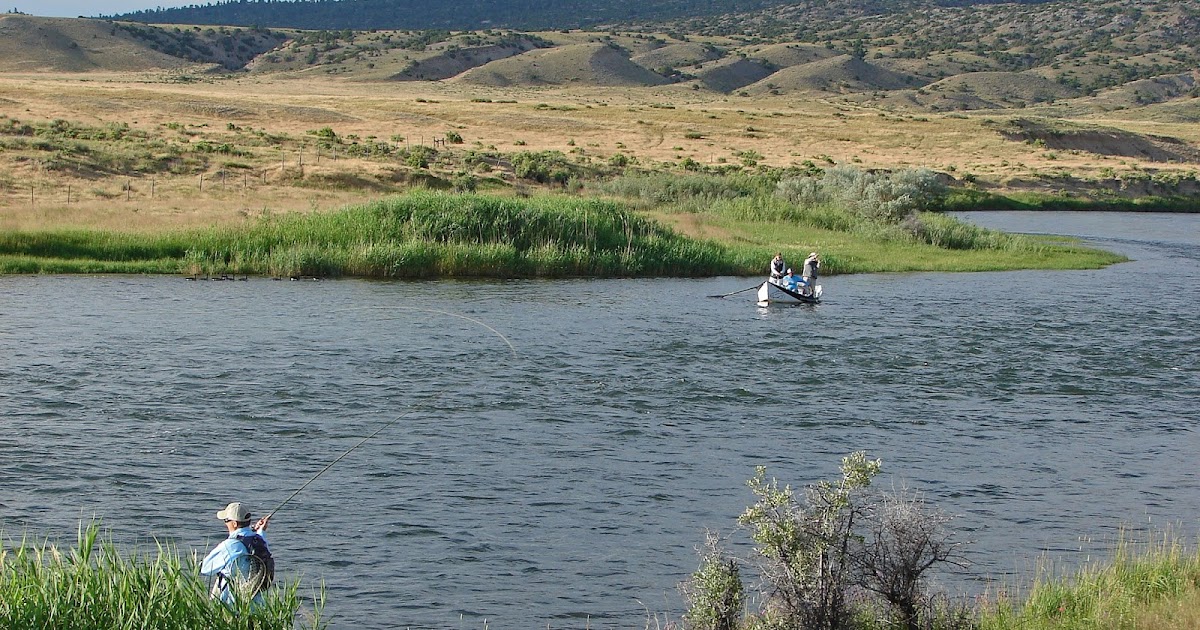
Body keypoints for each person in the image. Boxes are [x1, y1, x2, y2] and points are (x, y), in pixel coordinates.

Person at [201, 502, 274, 607]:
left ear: (234, 524)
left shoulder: (229, 545)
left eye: (226, 520)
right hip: (256, 604)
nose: (225, 523)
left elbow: (205, 568)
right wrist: (260, 530)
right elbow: (254, 538)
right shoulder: (260, 540)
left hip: (233, 604)